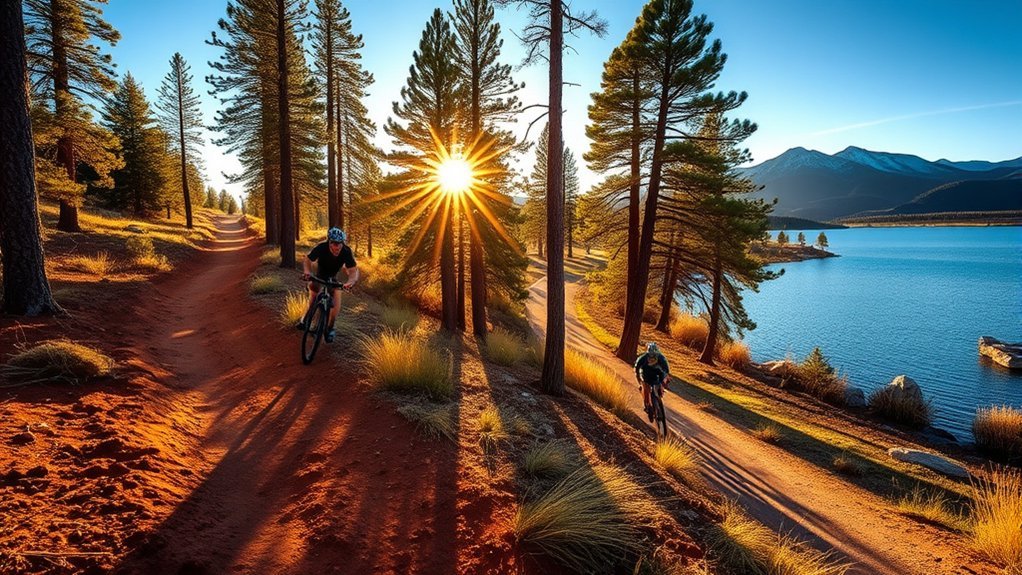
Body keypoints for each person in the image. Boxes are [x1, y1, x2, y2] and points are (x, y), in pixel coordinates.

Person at [297, 227, 359, 343]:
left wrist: (350, 282)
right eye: (335, 243)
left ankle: (330, 328)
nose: (338, 246)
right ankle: (305, 319)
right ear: (329, 242)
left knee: (336, 302)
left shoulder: (346, 251)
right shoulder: (321, 247)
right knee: (313, 296)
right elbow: (308, 260)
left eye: (340, 243)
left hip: (333, 278)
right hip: (319, 276)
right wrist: (307, 272)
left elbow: (353, 270)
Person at [635, 342, 670, 422]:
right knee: (645, 387)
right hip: (645, 375)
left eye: (654, 355)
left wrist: (665, 379)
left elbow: (666, 369)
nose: (652, 357)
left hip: (657, 374)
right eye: (651, 355)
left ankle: (659, 395)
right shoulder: (642, 358)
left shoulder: (661, 358)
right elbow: (637, 369)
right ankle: (647, 404)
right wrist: (639, 379)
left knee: (661, 383)